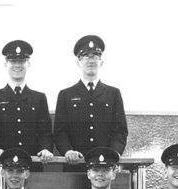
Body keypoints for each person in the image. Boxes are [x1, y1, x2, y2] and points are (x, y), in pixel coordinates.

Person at [53, 35, 127, 164]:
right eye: (86, 56)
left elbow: (120, 130)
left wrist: (113, 153)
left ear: (101, 62)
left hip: (105, 163)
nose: (91, 60)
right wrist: (68, 151)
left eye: (95, 56)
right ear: (78, 62)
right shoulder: (66, 95)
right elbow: (60, 132)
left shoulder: (113, 93)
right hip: (75, 163)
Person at [0, 40, 53, 162]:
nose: (17, 65)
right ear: (6, 64)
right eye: (13, 61)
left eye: (22, 61)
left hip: (31, 162)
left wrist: (45, 149)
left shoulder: (39, 98)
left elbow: (45, 132)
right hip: (3, 162)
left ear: (28, 64)